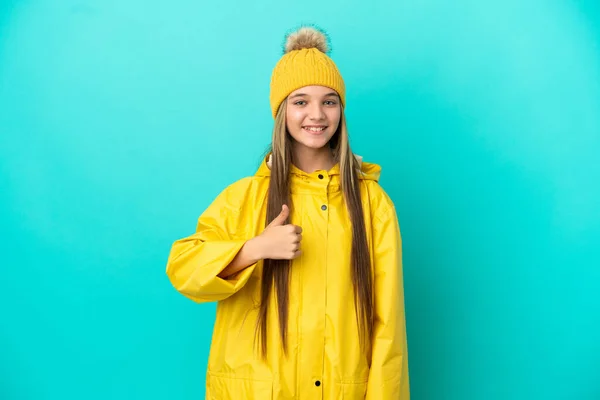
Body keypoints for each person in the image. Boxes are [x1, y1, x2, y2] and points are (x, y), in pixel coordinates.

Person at [166, 25, 410, 400]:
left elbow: (387, 325)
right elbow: (183, 269)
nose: (317, 114)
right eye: (300, 101)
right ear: (281, 111)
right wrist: (253, 249)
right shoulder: (244, 197)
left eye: (329, 101)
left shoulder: (371, 203)